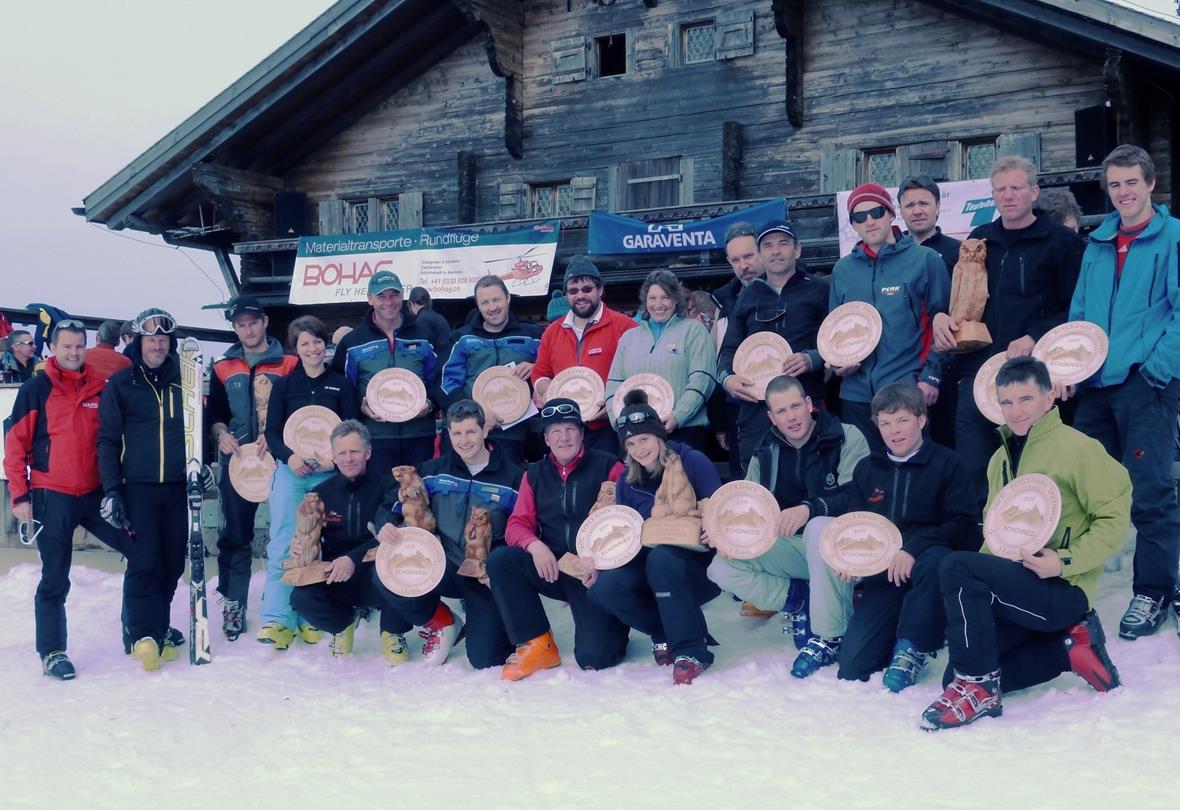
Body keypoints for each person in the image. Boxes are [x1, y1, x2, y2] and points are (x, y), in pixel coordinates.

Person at [920, 357, 1129, 730]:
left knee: (955, 565)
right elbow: (998, 536)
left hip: (1062, 589)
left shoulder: (1080, 449)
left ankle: (980, 691)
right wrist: (982, 584)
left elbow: (1114, 518)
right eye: (1006, 402)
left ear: (1049, 397)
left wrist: (1064, 561)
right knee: (957, 670)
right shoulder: (999, 458)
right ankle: (1067, 651)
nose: (1015, 411)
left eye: (1025, 399)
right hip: (1019, 590)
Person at [1066, 144, 1180, 640]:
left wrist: (1155, 372)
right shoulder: (1097, 244)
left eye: (1131, 182)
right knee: (1081, 489)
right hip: (1094, 387)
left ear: (1150, 184)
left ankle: (1154, 591)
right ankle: (1066, 592)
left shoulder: (1172, 237)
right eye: (1115, 185)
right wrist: (1069, 365)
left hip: (1145, 384)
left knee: (1150, 491)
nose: (1123, 193)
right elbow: (1078, 315)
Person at [933, 156, 1084, 511]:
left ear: (1033, 192)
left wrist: (1035, 335)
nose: (1008, 195)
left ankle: (1035, 551)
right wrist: (942, 317)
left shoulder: (1062, 243)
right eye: (1000, 189)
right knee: (975, 468)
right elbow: (958, 301)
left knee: (1034, 472)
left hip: (1032, 376)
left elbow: (1076, 309)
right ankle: (982, 551)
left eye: (1017, 188)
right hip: (977, 372)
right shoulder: (978, 240)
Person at [706, 374, 869, 677]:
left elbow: (859, 496)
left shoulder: (846, 436)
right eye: (781, 411)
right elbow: (747, 504)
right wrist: (725, 533)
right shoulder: (764, 450)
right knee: (720, 567)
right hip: (791, 549)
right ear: (771, 417)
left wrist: (810, 509)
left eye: (795, 406)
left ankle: (829, 634)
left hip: (841, 552)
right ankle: (800, 600)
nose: (791, 416)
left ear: (809, 404)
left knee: (820, 526)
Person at [4, 320, 134, 679]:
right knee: (55, 576)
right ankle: (53, 651)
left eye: (79, 346)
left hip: (94, 495)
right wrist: (20, 495)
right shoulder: (35, 388)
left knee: (139, 551)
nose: (74, 353)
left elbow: (116, 438)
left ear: (87, 346)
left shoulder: (101, 387)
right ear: (54, 351)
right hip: (52, 495)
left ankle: (139, 629)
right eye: (67, 347)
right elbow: (14, 445)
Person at [834, 382, 976, 690]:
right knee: (853, 667)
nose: (894, 430)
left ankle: (913, 645)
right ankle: (893, 627)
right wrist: (850, 558)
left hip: (929, 565)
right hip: (884, 572)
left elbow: (963, 524)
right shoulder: (868, 468)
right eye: (885, 423)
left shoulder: (948, 463)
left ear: (921, 420)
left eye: (902, 420)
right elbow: (857, 524)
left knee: (937, 559)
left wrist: (912, 549)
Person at [485, 397, 631, 679]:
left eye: (570, 428)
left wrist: (603, 563)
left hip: (594, 571)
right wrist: (535, 545)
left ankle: (613, 624)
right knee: (502, 559)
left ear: (582, 432)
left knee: (595, 658)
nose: (564, 437)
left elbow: (628, 524)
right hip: (552, 566)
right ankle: (538, 642)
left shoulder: (609, 467)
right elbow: (516, 524)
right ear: (546, 438)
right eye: (555, 430)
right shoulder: (534, 474)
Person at [372, 400, 522, 668]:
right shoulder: (432, 471)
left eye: (471, 432)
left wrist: (499, 569)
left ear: (484, 431)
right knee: (386, 572)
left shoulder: (513, 477)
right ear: (449, 435)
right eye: (457, 433)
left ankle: (490, 625)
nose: (465, 440)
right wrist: (386, 523)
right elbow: (392, 504)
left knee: (485, 659)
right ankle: (443, 621)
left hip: (481, 575)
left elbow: (522, 528)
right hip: (439, 564)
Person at [586, 391, 723, 684]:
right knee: (603, 588)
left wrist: (713, 526)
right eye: (631, 443)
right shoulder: (626, 480)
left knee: (662, 559)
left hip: (696, 563)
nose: (639, 449)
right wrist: (599, 560)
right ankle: (663, 629)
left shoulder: (692, 461)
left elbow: (719, 506)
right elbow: (624, 532)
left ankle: (690, 651)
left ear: (659, 435)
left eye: (644, 439)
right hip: (648, 562)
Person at [256, 315, 359, 650]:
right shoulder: (284, 386)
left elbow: (351, 428)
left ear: (325, 344)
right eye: (305, 343)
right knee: (286, 541)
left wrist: (336, 459)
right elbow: (272, 432)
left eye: (317, 341)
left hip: (330, 475)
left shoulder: (341, 385)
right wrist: (290, 457)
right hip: (293, 473)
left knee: (322, 544)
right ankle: (277, 618)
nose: (312, 348)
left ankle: (310, 614)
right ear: (295, 348)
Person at [97, 309, 189, 672]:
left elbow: (198, 429)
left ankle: (160, 628)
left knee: (171, 563)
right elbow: (107, 440)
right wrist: (111, 491)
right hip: (137, 488)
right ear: (138, 342)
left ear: (171, 343)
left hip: (178, 487)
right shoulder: (122, 384)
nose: (157, 345)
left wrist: (204, 467)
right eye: (151, 339)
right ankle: (142, 634)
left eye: (163, 340)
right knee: (143, 562)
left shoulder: (186, 381)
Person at [829, 183, 950, 454]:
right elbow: (835, 331)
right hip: (855, 395)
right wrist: (838, 363)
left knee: (911, 472)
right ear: (853, 225)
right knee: (863, 474)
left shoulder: (925, 260)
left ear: (891, 213)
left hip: (905, 389)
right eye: (860, 217)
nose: (869, 221)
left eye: (876, 212)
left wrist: (931, 377)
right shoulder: (842, 270)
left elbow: (943, 324)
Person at [207, 295, 298, 641]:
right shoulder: (223, 366)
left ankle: (294, 602)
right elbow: (213, 414)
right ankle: (233, 601)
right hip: (238, 464)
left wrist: (277, 436)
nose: (248, 329)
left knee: (291, 534)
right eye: (240, 324)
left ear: (264, 321)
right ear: (235, 328)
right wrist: (221, 435)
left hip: (282, 461)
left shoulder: (289, 362)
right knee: (235, 535)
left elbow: (303, 406)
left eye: (252, 322)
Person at [718, 220, 830, 471]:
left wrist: (812, 358)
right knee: (759, 483)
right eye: (768, 245)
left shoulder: (820, 290)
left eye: (783, 243)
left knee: (809, 477)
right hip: (756, 410)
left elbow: (837, 345)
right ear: (761, 254)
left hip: (805, 404)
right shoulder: (747, 296)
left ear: (797, 250)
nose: (775, 250)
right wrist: (728, 380)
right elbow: (728, 351)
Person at [288, 421, 397, 657]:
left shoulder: (389, 487)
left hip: (375, 573)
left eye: (355, 451)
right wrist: (300, 545)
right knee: (301, 596)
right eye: (342, 453)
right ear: (333, 457)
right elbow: (311, 534)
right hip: (337, 574)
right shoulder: (321, 493)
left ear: (368, 452)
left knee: (397, 573)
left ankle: (392, 632)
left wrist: (353, 558)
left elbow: (389, 537)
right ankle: (343, 624)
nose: (348, 459)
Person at [332, 270, 444, 474]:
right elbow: (341, 388)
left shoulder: (424, 336)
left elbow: (438, 380)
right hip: (375, 437)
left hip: (419, 434)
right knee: (381, 498)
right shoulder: (352, 342)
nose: (389, 302)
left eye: (394, 295)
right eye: (381, 296)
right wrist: (361, 406)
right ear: (369, 299)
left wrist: (430, 404)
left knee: (418, 498)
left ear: (403, 296)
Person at [531, 256, 637, 454]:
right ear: (566, 295)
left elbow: (637, 376)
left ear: (600, 290)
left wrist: (615, 406)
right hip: (567, 430)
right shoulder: (553, 331)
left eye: (587, 289)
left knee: (608, 483)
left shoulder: (625, 326)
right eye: (573, 290)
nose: (580, 295)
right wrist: (549, 391)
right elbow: (540, 373)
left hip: (608, 430)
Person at [605, 270, 717, 449]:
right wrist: (617, 420)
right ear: (645, 301)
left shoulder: (694, 330)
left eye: (665, 297)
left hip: (683, 432)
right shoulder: (628, 337)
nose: (658, 304)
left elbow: (702, 379)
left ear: (676, 300)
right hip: (638, 435)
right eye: (652, 298)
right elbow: (614, 384)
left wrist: (678, 417)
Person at [440, 275, 543, 464]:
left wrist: (537, 368)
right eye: (485, 302)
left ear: (508, 298)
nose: (492, 307)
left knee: (510, 487)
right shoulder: (461, 338)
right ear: (478, 305)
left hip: (515, 431)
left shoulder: (532, 335)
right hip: (469, 431)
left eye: (497, 300)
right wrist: (475, 413)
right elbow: (447, 385)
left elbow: (551, 373)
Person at [896, 175, 961, 452]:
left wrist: (935, 372)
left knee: (944, 447)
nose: (917, 210)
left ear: (937, 207)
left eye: (924, 203)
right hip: (903, 368)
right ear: (901, 211)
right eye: (909, 205)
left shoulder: (958, 252)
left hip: (947, 368)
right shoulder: (892, 255)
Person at [712, 222, 763, 317]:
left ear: (762, 252)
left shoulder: (787, 293)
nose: (743, 266)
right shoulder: (723, 303)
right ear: (729, 261)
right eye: (735, 260)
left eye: (748, 256)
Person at [407, 285, 453, 350]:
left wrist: (406, 347)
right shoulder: (438, 316)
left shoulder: (422, 319)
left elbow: (421, 346)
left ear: (411, 303)